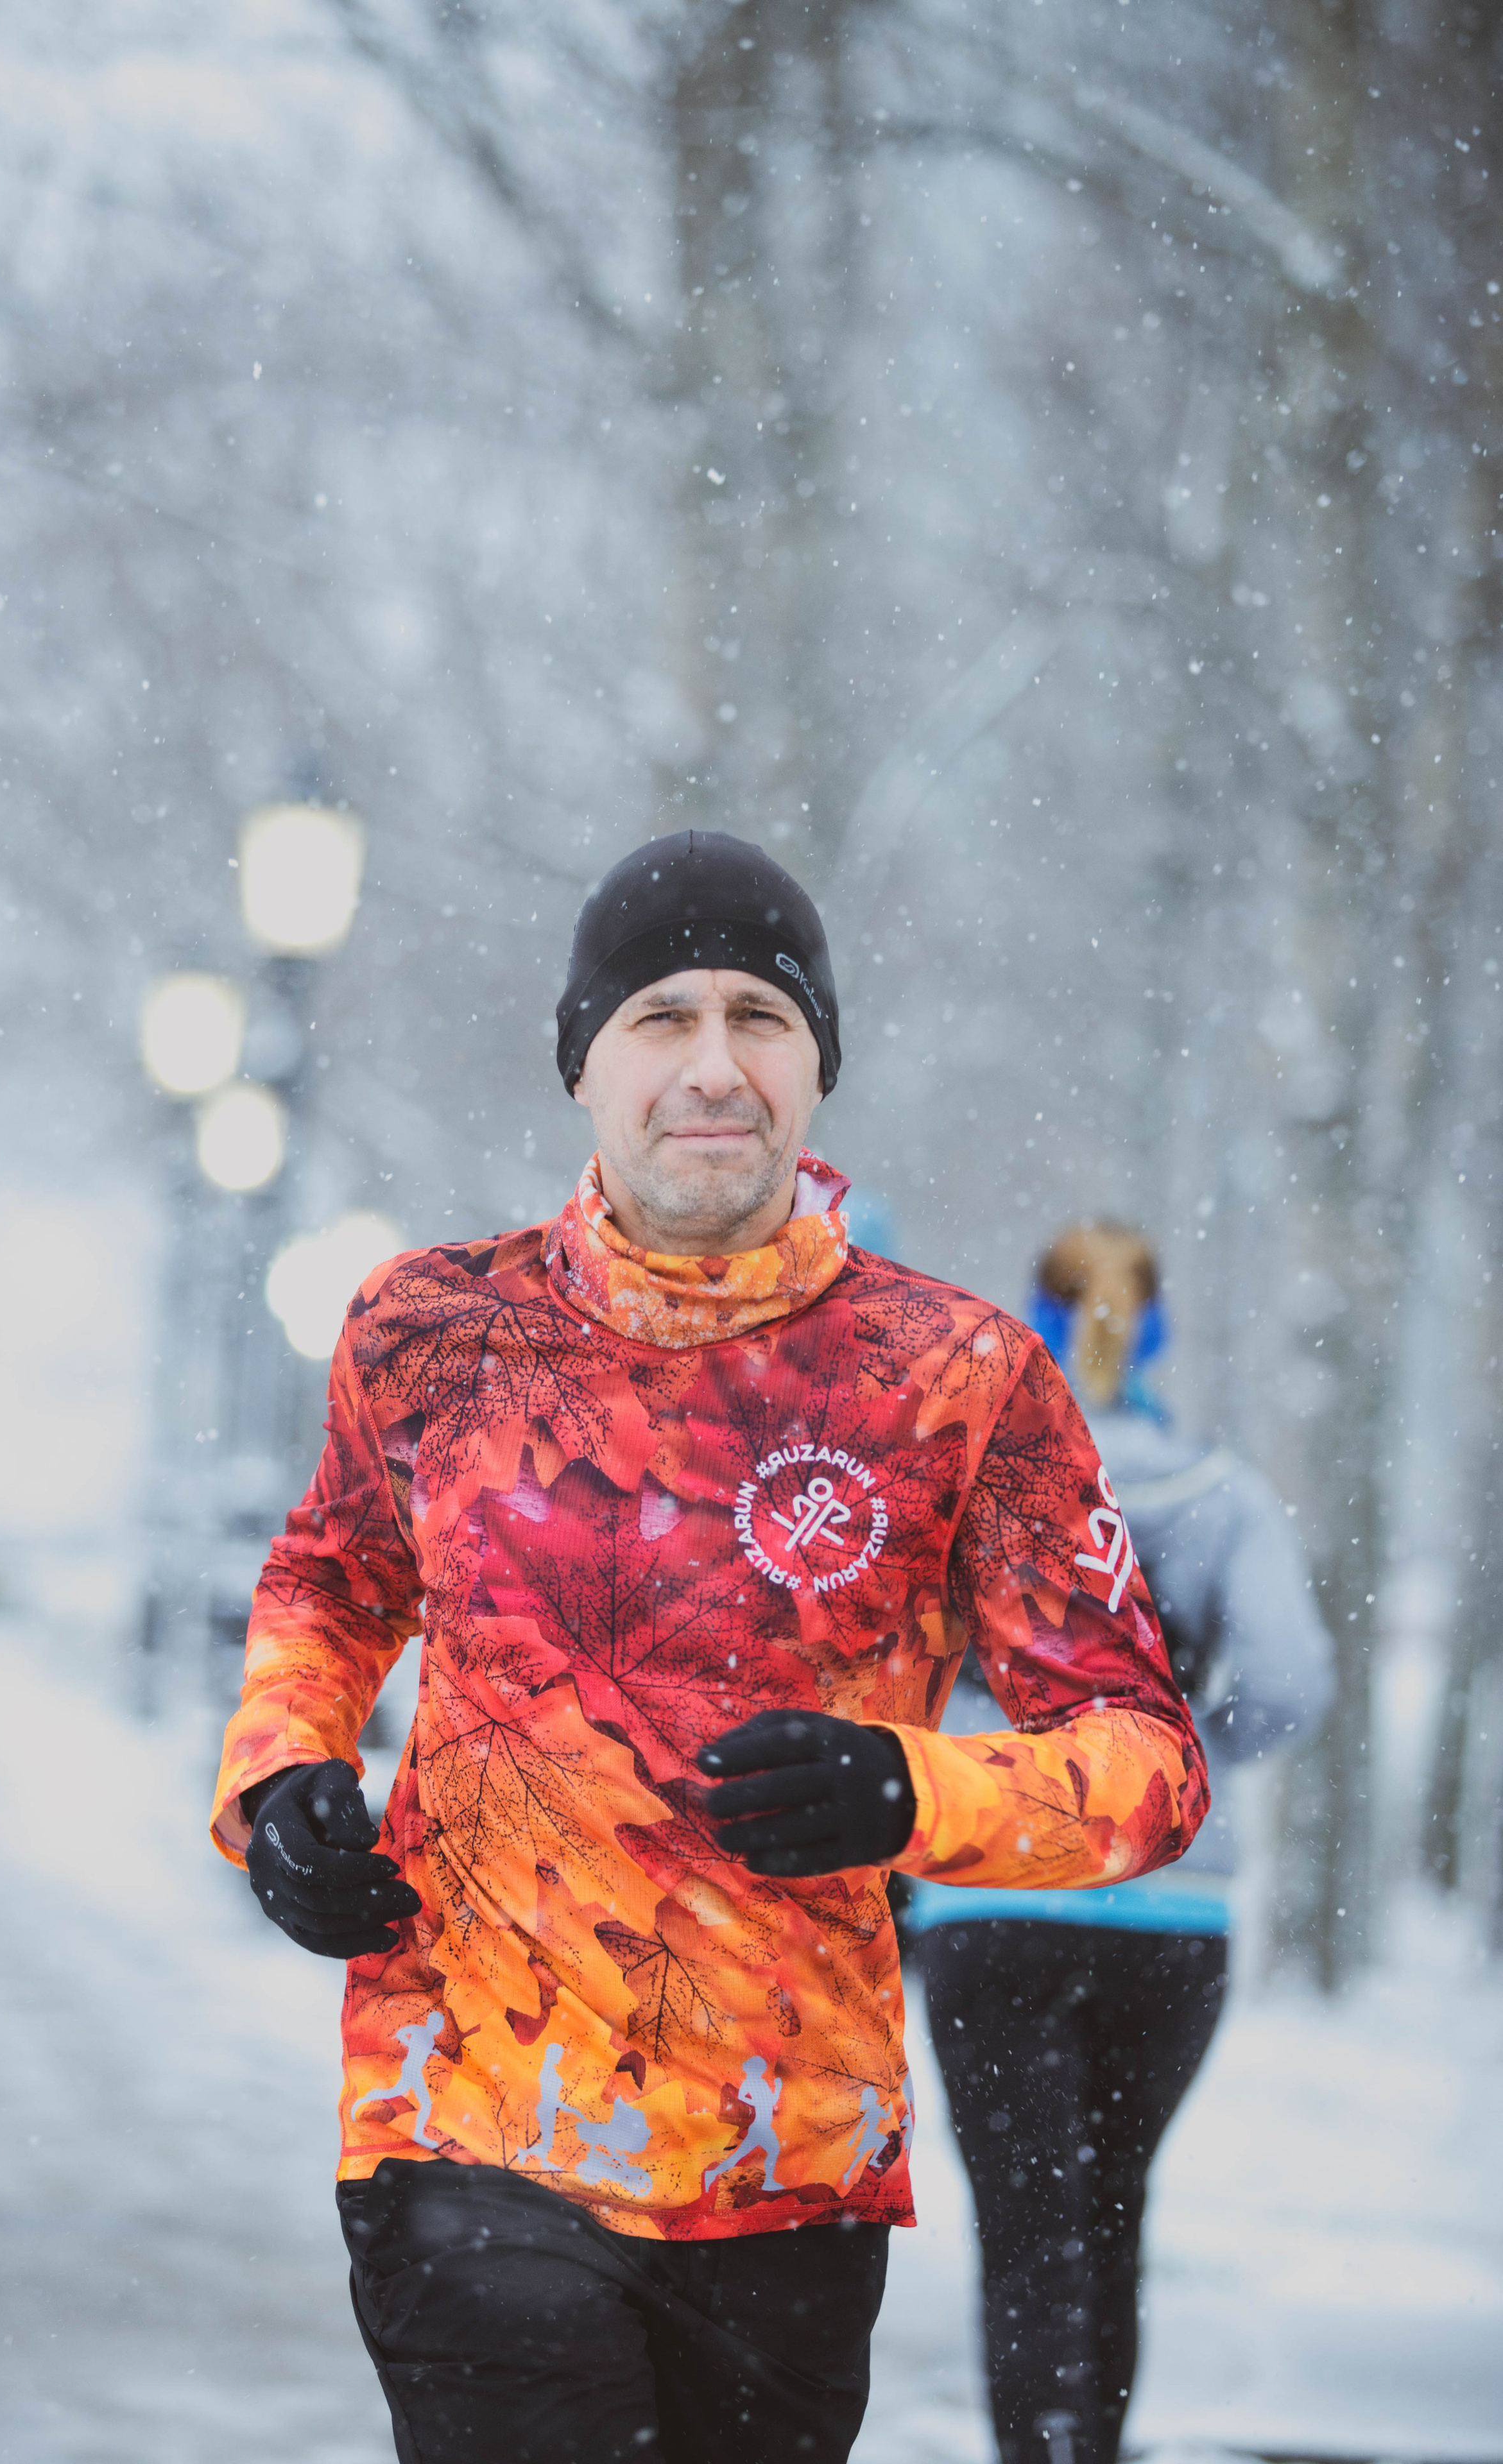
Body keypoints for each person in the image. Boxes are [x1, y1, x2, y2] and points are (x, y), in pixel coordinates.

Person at [209, 836, 1208, 2464]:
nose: (712, 1065)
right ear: (581, 1060)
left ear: (817, 1063)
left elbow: (1147, 1761)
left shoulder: (959, 1377)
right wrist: (279, 1781)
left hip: (783, 2147)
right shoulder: (426, 1330)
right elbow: (329, 1580)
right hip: (467, 2113)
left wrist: (913, 1790)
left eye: (760, 1017)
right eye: (660, 1016)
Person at [905, 1222, 1335, 2464]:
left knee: (1025, 2229)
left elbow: (885, 1653)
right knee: (1109, 2212)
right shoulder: (1223, 1496)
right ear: (1157, 1330)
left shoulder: (966, 1480)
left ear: (1030, 1325)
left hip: (995, 1893)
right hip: (1170, 1914)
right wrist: (1184, 1747)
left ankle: (1041, 2447)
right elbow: (1293, 1680)